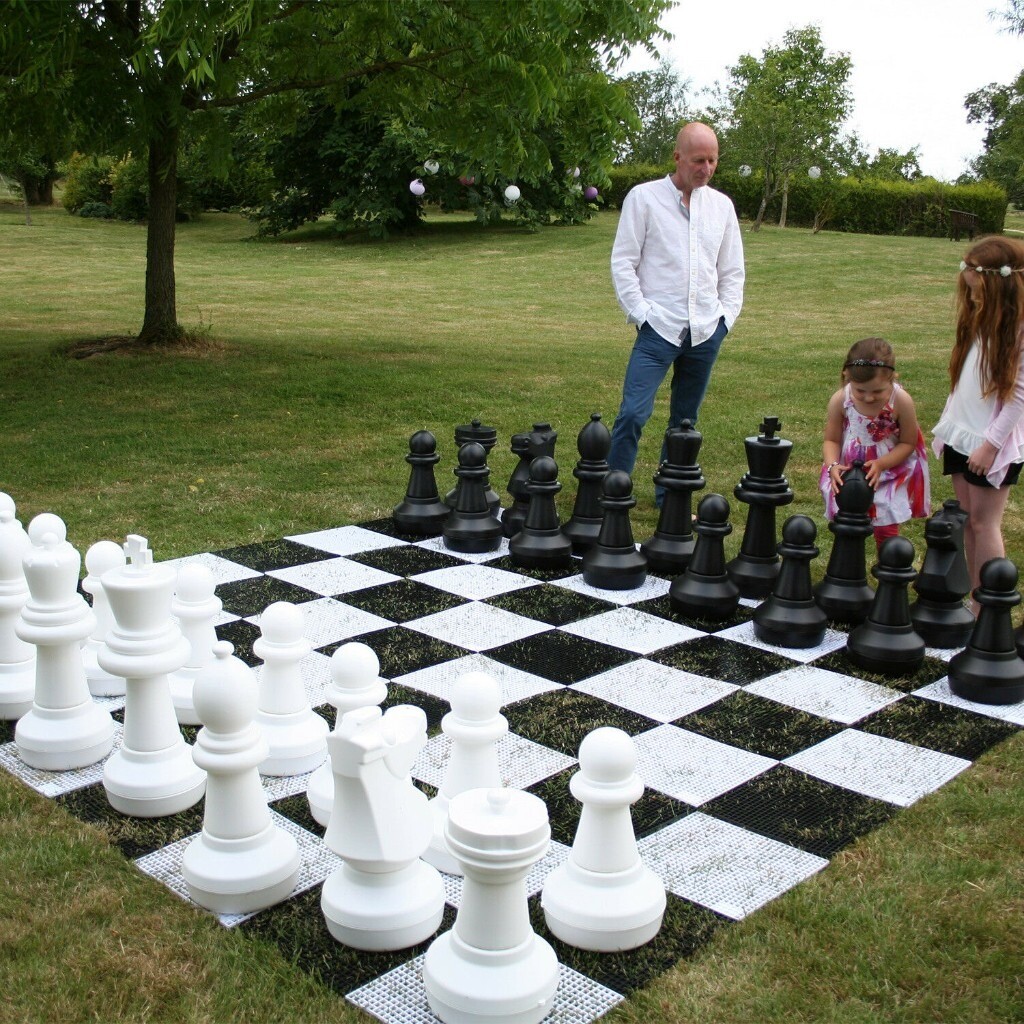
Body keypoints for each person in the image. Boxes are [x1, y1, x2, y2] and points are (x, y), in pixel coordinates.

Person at [607, 122, 745, 491]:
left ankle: (670, 497)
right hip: (659, 328)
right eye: (699, 160)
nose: (707, 168)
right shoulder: (644, 198)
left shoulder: (722, 207)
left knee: (685, 422)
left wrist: (724, 320)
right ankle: (611, 489)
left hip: (705, 330)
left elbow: (732, 271)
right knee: (633, 413)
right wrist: (642, 314)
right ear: (678, 157)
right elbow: (623, 261)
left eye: (713, 160)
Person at [932, 236, 1024, 597]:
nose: (971, 297)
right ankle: (974, 601)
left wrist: (990, 446)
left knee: (985, 524)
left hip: (990, 442)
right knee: (968, 520)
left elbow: (1019, 396)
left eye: (978, 291)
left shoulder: (1018, 329)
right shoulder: (979, 316)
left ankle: (989, 611)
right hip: (962, 433)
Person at [820, 337, 931, 552]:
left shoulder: (901, 401)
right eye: (860, 391)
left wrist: (881, 464)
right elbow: (831, 439)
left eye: (878, 392)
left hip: (887, 469)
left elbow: (908, 442)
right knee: (848, 522)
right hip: (850, 470)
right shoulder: (841, 399)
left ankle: (888, 568)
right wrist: (832, 465)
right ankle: (846, 570)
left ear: (892, 378)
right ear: (847, 376)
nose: (869, 398)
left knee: (885, 523)